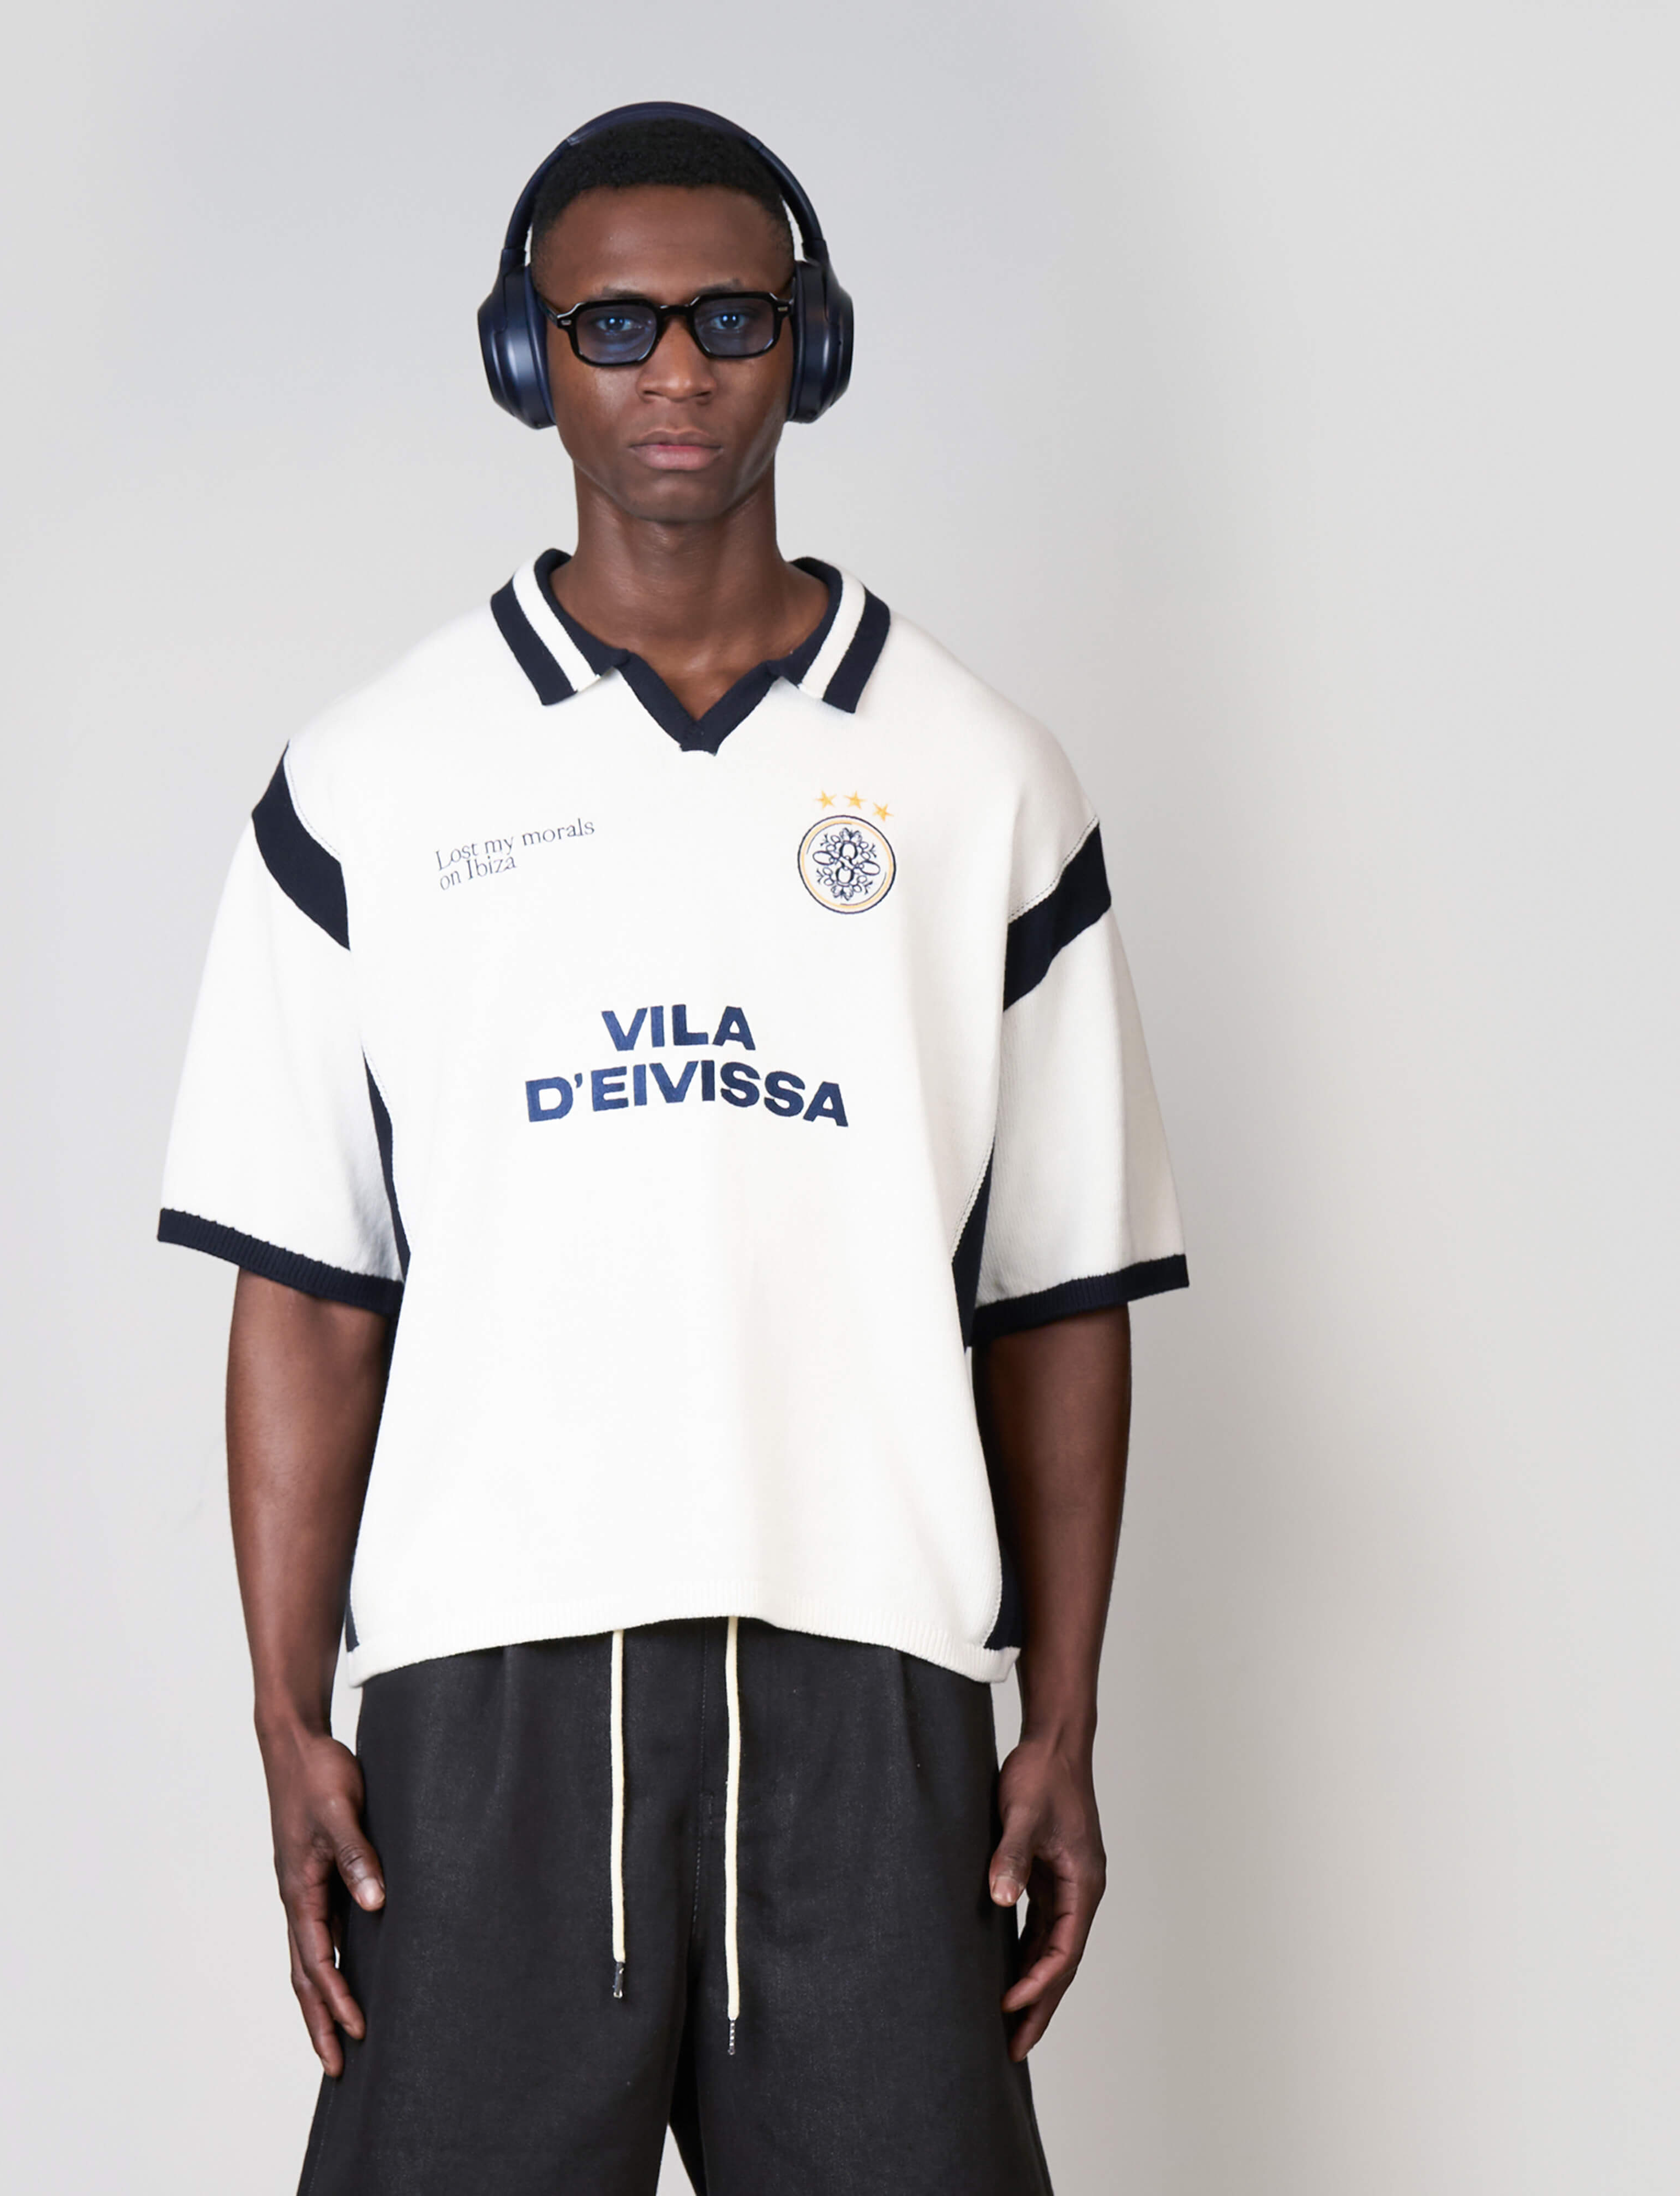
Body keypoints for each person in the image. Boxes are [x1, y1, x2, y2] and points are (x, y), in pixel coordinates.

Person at [158, 102, 1187, 2196]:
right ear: (526, 358)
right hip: (485, 1695)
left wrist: (1062, 1719)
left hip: (874, 1684)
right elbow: (312, 1297)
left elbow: (1058, 1298)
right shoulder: (372, 780)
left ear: (811, 343)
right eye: (615, 325)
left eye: (732, 317)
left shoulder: (981, 778)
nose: (678, 370)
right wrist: (287, 1716)